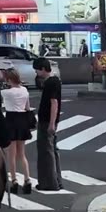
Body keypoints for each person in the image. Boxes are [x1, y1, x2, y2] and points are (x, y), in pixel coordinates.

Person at [0, 68, 33, 194]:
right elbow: (27, 107)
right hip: (23, 120)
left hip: (11, 120)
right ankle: (27, 179)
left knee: (11, 154)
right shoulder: (24, 90)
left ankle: (14, 181)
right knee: (21, 154)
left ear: (8, 79)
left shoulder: (7, 93)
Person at [32, 58, 63, 191]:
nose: (37, 73)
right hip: (49, 120)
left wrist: (51, 123)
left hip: (46, 121)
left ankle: (49, 183)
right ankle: (57, 180)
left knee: (46, 151)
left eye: (37, 70)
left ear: (43, 69)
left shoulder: (51, 83)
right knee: (53, 150)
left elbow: (54, 103)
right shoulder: (54, 81)